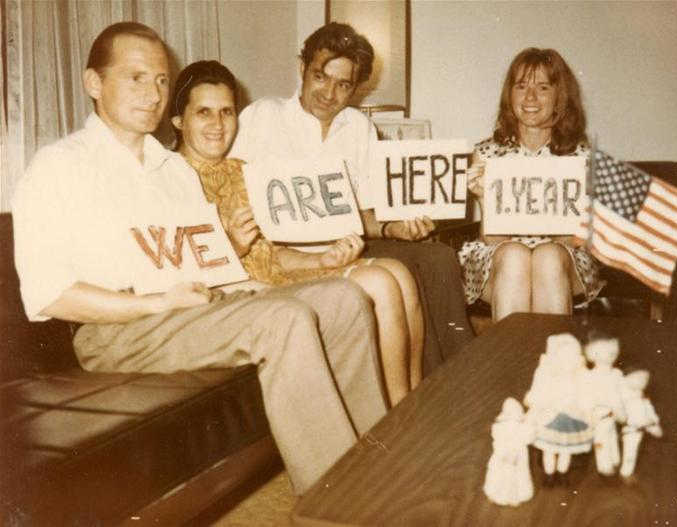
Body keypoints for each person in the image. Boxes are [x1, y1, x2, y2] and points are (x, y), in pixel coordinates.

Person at [11, 21, 389, 495]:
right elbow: (51, 296)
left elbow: (205, 265)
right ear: (93, 83)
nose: (153, 93)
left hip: (185, 312)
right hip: (115, 331)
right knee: (283, 318)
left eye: (162, 80)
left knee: (342, 298)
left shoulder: (174, 171)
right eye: (136, 77)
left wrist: (241, 280)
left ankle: (378, 476)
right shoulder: (59, 167)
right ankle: (336, 501)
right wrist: (154, 304)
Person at [169, 60, 422, 406]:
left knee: (396, 273)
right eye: (204, 113)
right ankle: (398, 411)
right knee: (379, 281)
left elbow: (272, 254)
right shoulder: (169, 179)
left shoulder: (243, 171)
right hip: (234, 299)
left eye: (227, 112)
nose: (218, 124)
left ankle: (408, 404)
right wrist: (233, 249)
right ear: (179, 121)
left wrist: (324, 257)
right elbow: (177, 271)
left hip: (274, 279)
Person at [230, 22, 473, 374]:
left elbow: (365, 214)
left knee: (437, 256)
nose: (329, 93)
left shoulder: (359, 128)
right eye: (320, 77)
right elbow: (227, 186)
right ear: (302, 68)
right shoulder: (263, 116)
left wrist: (394, 229)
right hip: (283, 253)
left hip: (347, 247)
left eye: (343, 84)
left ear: (356, 88)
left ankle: (444, 382)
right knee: (401, 276)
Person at [458, 48, 603, 321]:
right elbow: (492, 240)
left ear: (560, 97)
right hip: (501, 256)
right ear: (509, 95)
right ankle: (512, 361)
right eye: (521, 86)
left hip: (563, 256)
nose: (530, 97)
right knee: (515, 256)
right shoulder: (488, 154)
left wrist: (544, 251)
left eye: (543, 87)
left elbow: (574, 238)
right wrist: (484, 198)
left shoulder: (581, 157)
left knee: (547, 257)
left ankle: (556, 361)